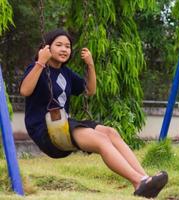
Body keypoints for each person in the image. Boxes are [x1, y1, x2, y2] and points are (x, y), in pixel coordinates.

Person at [20, 28, 168, 198]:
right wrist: (40, 62)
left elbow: (90, 90)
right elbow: (25, 90)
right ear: (47, 48)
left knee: (110, 132)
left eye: (67, 46)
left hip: (63, 125)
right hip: (44, 130)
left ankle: (145, 179)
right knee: (101, 139)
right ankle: (138, 182)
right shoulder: (37, 68)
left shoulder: (66, 73)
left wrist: (90, 65)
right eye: (59, 45)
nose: (64, 49)